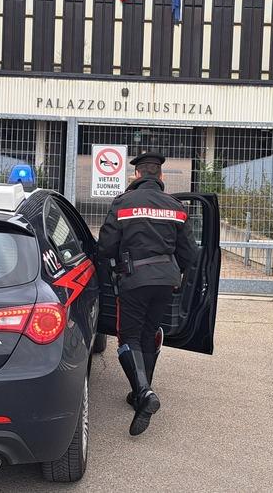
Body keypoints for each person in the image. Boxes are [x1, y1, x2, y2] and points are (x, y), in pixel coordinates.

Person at [96, 151, 199, 436]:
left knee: (128, 338)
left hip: (134, 280)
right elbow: (190, 253)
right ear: (161, 176)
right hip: (166, 281)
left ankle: (144, 393)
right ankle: (140, 391)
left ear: (137, 175)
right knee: (149, 334)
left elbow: (105, 247)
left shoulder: (123, 203)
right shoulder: (176, 207)